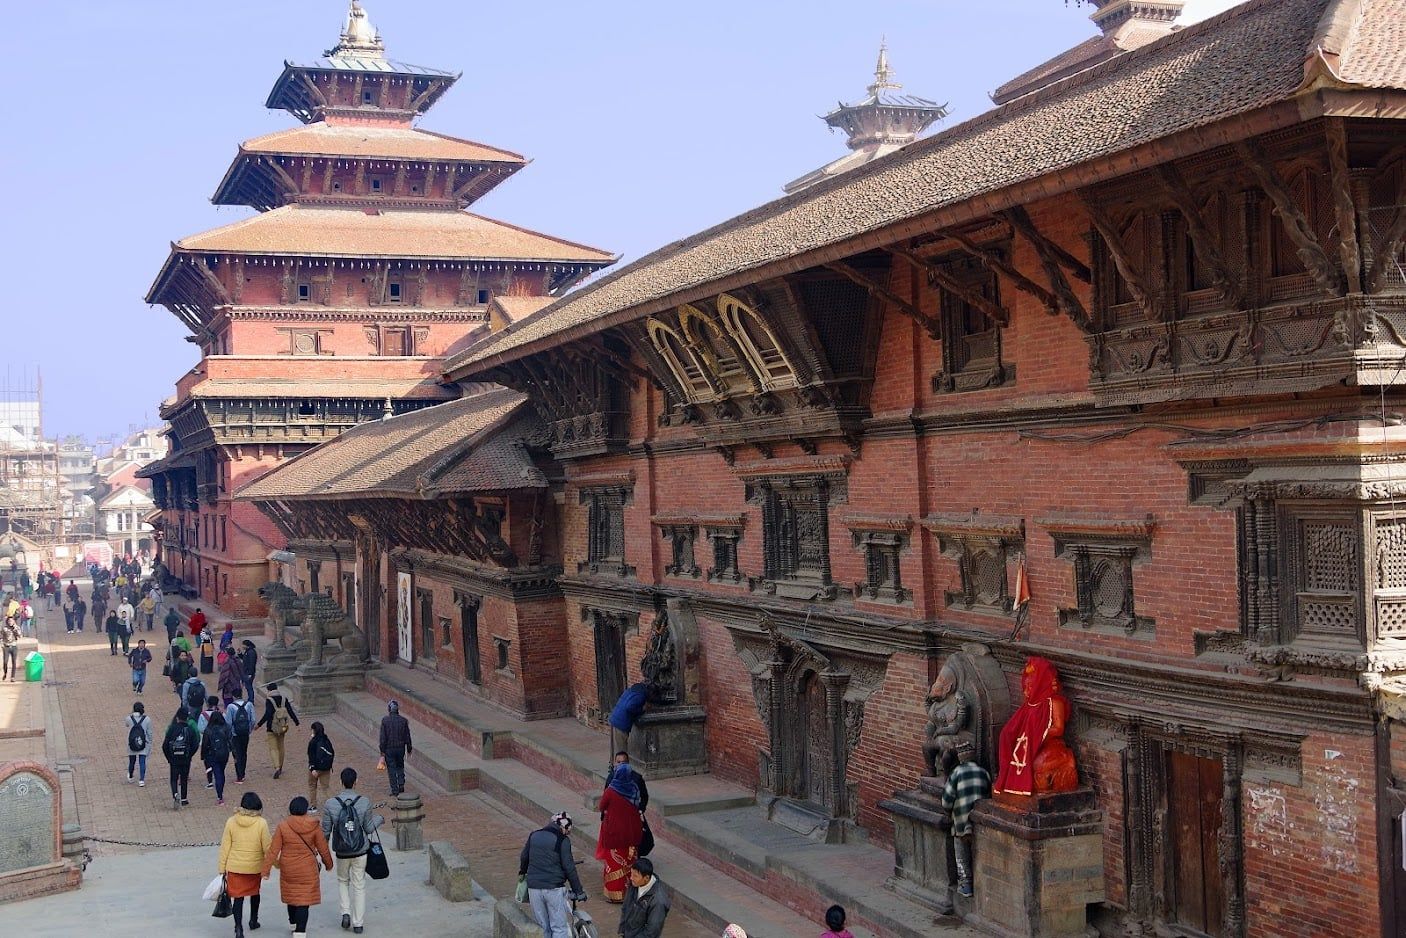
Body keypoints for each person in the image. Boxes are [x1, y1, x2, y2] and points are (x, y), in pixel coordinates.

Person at [321, 767, 384, 935]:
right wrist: (380, 819)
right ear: (355, 782)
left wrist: (322, 853)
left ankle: (345, 912)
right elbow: (369, 828)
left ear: (341, 782)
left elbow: (325, 832)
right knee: (359, 885)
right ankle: (358, 923)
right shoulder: (364, 801)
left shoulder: (330, 804)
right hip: (360, 850)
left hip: (341, 851)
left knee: (343, 881)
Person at [261, 796, 333, 936]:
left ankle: (293, 922)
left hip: (288, 869)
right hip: (308, 869)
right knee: (303, 900)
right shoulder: (314, 826)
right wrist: (328, 864)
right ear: (305, 810)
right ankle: (300, 931)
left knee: (292, 896)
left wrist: (265, 871)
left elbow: (273, 850)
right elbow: (323, 847)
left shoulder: (283, 826)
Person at [519, 812, 587, 938]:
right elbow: (569, 867)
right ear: (564, 828)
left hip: (534, 887)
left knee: (542, 927)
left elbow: (524, 857)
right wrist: (578, 890)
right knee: (559, 927)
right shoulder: (562, 840)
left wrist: (522, 873)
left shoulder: (534, 835)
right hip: (553, 888)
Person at [940, 742, 992, 899]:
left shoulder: (957, 772)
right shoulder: (984, 773)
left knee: (961, 851)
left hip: (961, 820)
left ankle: (966, 884)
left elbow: (947, 800)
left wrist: (948, 811)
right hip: (979, 819)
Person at [219, 791, 271, 938]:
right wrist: (275, 864)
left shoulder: (231, 821)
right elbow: (267, 847)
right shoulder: (261, 823)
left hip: (235, 867)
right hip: (254, 867)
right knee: (255, 893)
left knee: (238, 898)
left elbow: (225, 846)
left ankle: (238, 928)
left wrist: (221, 868)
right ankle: (253, 920)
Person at [596, 764, 643, 903]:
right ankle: (631, 893)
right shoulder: (634, 788)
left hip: (614, 833)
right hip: (632, 832)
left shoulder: (611, 790)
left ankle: (615, 895)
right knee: (630, 862)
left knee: (615, 864)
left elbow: (601, 806)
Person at [618, 857, 671, 938]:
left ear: (646, 878)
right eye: (631, 874)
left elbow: (652, 931)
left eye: (635, 876)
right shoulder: (634, 884)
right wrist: (622, 931)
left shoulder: (658, 901)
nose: (631, 878)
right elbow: (625, 908)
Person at [256, 683, 299, 779]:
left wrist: (259, 724)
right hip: (283, 726)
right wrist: (296, 722)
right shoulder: (284, 698)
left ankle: (277, 767)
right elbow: (290, 711)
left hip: (272, 727)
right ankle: (281, 766)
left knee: (273, 748)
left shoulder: (269, 700)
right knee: (281, 746)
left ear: (269, 690)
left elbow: (268, 714)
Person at [607, 681, 655, 760]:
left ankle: (613, 768)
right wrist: (642, 709)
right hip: (621, 724)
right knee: (621, 751)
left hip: (616, 719)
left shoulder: (632, 690)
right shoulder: (640, 696)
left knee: (616, 750)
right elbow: (630, 707)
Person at [162, 706, 197, 809]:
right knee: (184, 778)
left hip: (174, 759)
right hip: (185, 758)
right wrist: (189, 755)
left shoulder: (172, 728)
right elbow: (195, 744)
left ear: (177, 717)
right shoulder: (190, 729)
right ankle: (184, 798)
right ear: (187, 718)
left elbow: (164, 745)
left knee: (174, 778)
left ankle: (175, 794)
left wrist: (169, 758)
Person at [377, 700, 413, 797]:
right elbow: (407, 736)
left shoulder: (385, 721)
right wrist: (409, 748)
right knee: (400, 766)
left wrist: (382, 751)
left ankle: (394, 789)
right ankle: (401, 783)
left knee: (392, 769)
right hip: (400, 748)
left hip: (389, 749)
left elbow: (383, 738)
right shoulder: (403, 721)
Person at [203, 708, 234, 805]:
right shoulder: (226, 727)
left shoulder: (208, 729)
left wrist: (203, 755)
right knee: (222, 771)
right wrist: (234, 753)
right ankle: (221, 790)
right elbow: (231, 741)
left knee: (217, 774)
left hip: (213, 754)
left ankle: (219, 796)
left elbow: (205, 744)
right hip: (224, 753)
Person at [227, 689, 256, 784]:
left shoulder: (231, 707)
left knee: (237, 753)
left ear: (233, 696)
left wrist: (230, 733)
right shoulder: (249, 704)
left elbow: (229, 722)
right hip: (245, 733)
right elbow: (253, 720)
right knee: (244, 752)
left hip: (235, 734)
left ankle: (239, 775)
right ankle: (243, 772)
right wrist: (249, 730)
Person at [306, 722, 335, 810]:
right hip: (326, 768)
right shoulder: (326, 740)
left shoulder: (313, 742)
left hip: (315, 769)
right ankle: (335, 805)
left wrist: (312, 769)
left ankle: (313, 805)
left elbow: (311, 756)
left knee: (312, 786)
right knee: (326, 787)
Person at [125, 701, 153, 786]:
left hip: (132, 742)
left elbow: (126, 725)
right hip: (143, 742)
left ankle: (130, 775)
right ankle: (141, 780)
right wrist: (150, 741)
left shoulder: (129, 718)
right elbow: (149, 732)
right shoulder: (147, 719)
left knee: (132, 761)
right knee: (142, 761)